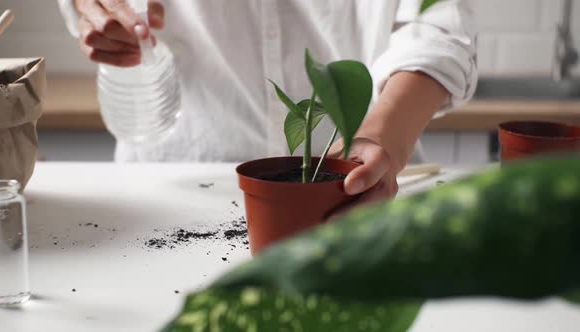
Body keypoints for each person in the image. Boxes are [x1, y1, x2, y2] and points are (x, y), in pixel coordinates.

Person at [58, 0, 477, 206]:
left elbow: (439, 30)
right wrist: (93, 8)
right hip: (173, 189)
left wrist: (379, 136)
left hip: (351, 195)